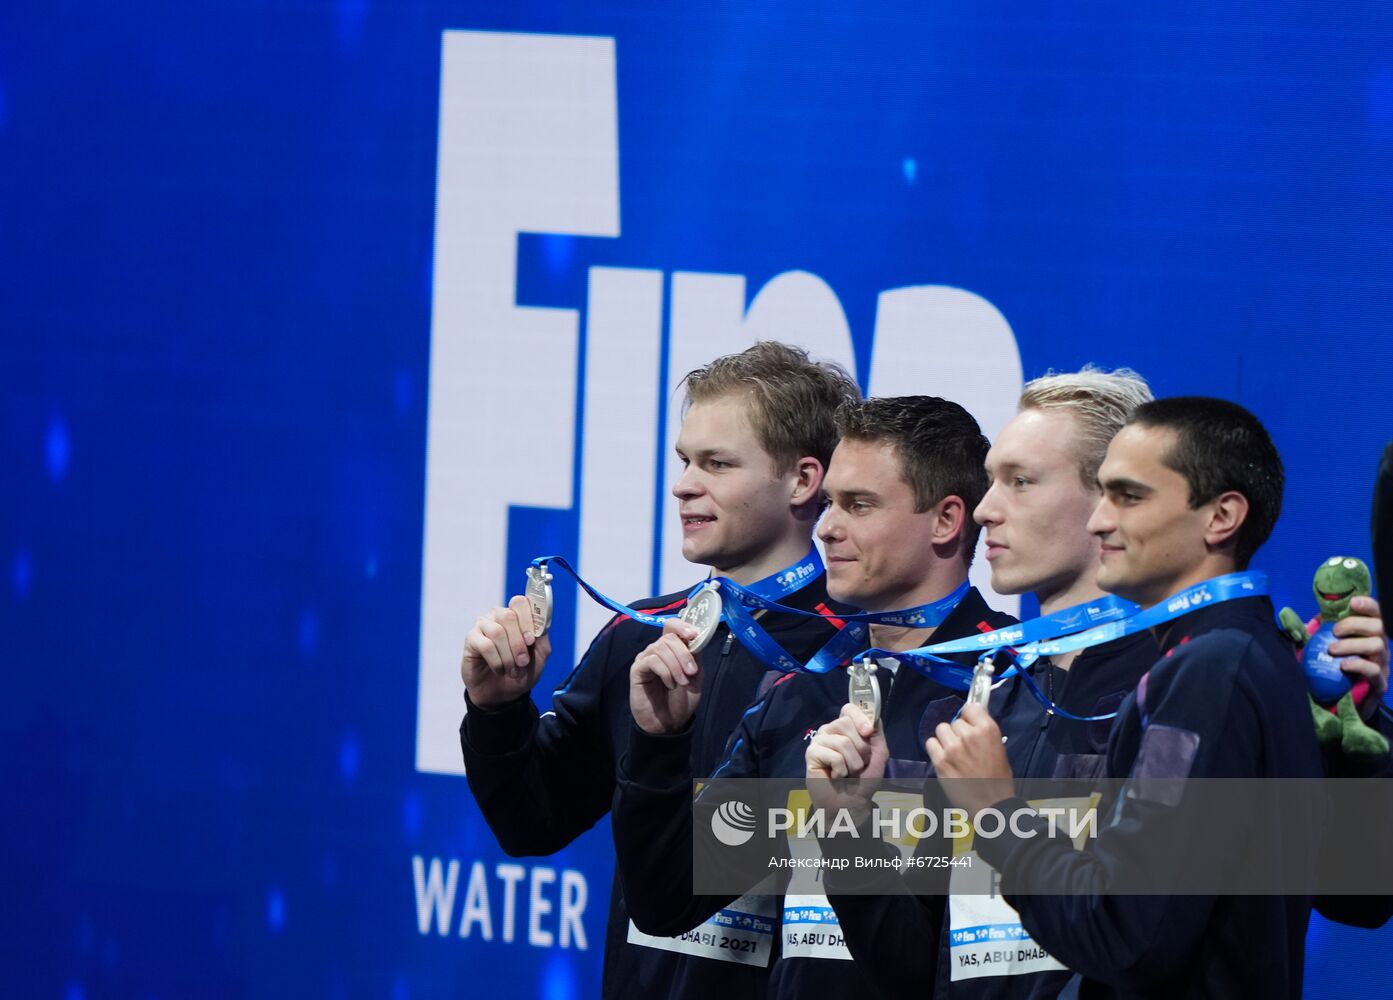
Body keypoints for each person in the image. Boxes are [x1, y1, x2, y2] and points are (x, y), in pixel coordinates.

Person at [458, 341, 859, 999]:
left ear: (802, 480)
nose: (682, 484)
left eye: (717, 464)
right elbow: (531, 822)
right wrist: (497, 709)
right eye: (683, 461)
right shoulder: (638, 635)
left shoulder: (857, 656)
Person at [612, 395, 1017, 999]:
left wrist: (849, 828)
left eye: (859, 505)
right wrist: (658, 745)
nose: (826, 527)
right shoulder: (803, 691)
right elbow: (668, 901)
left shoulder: (1011, 691)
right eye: (828, 502)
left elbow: (944, 971)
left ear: (946, 520)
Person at [927, 396, 1333, 998]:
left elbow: (1121, 933)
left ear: (1221, 517)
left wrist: (995, 813)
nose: (1099, 521)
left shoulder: (1206, 671)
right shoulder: (1243, 654)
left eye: (1128, 496)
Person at [809, 367, 1161, 999]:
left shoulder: (1172, 691)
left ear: (1115, 501)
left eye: (1021, 482)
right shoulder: (983, 703)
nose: (986, 509)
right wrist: (847, 827)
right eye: (993, 480)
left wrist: (999, 818)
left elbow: (1148, 938)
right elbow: (911, 966)